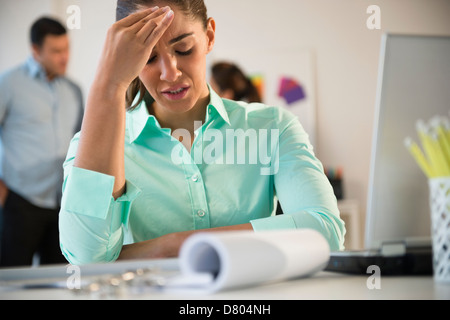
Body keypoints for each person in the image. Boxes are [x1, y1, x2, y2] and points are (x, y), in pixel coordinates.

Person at [59, 0, 345, 265]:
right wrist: (109, 83)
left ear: (209, 36)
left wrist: (172, 246)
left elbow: (325, 232)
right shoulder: (96, 147)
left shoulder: (273, 126)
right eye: (148, 57)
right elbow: (86, 260)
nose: (170, 73)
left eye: (183, 49)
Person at [0, 17, 83, 266]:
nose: (64, 57)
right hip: (21, 200)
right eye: (56, 51)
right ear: (35, 50)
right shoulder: (9, 84)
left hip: (63, 203)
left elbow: (81, 142)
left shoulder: (74, 90)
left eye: (66, 49)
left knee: (58, 279)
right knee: (11, 279)